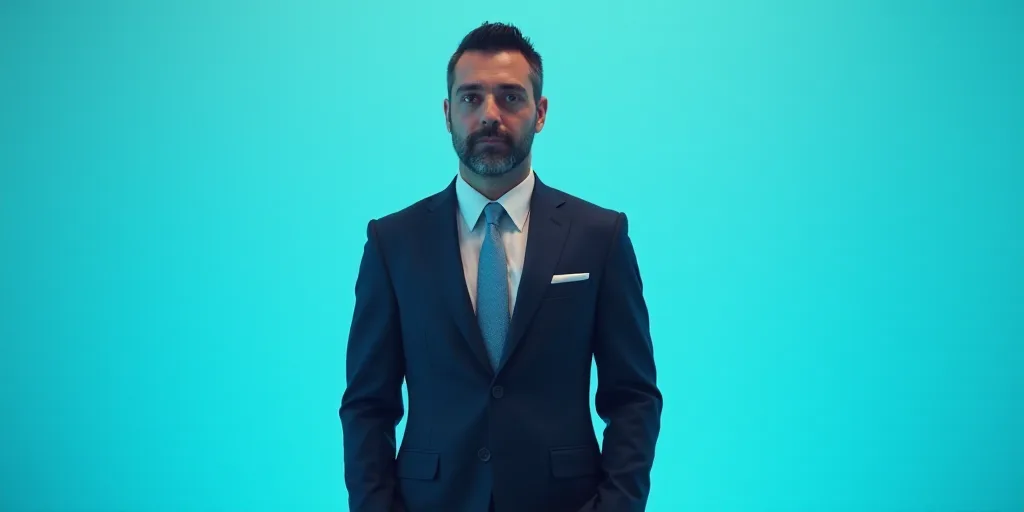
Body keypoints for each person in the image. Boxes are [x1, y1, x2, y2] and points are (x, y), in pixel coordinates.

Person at [340, 21, 663, 512]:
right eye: (471, 98)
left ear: (541, 112)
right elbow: (367, 405)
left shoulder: (599, 236)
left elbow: (634, 397)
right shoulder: (394, 243)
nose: (490, 115)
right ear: (447, 114)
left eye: (511, 97)